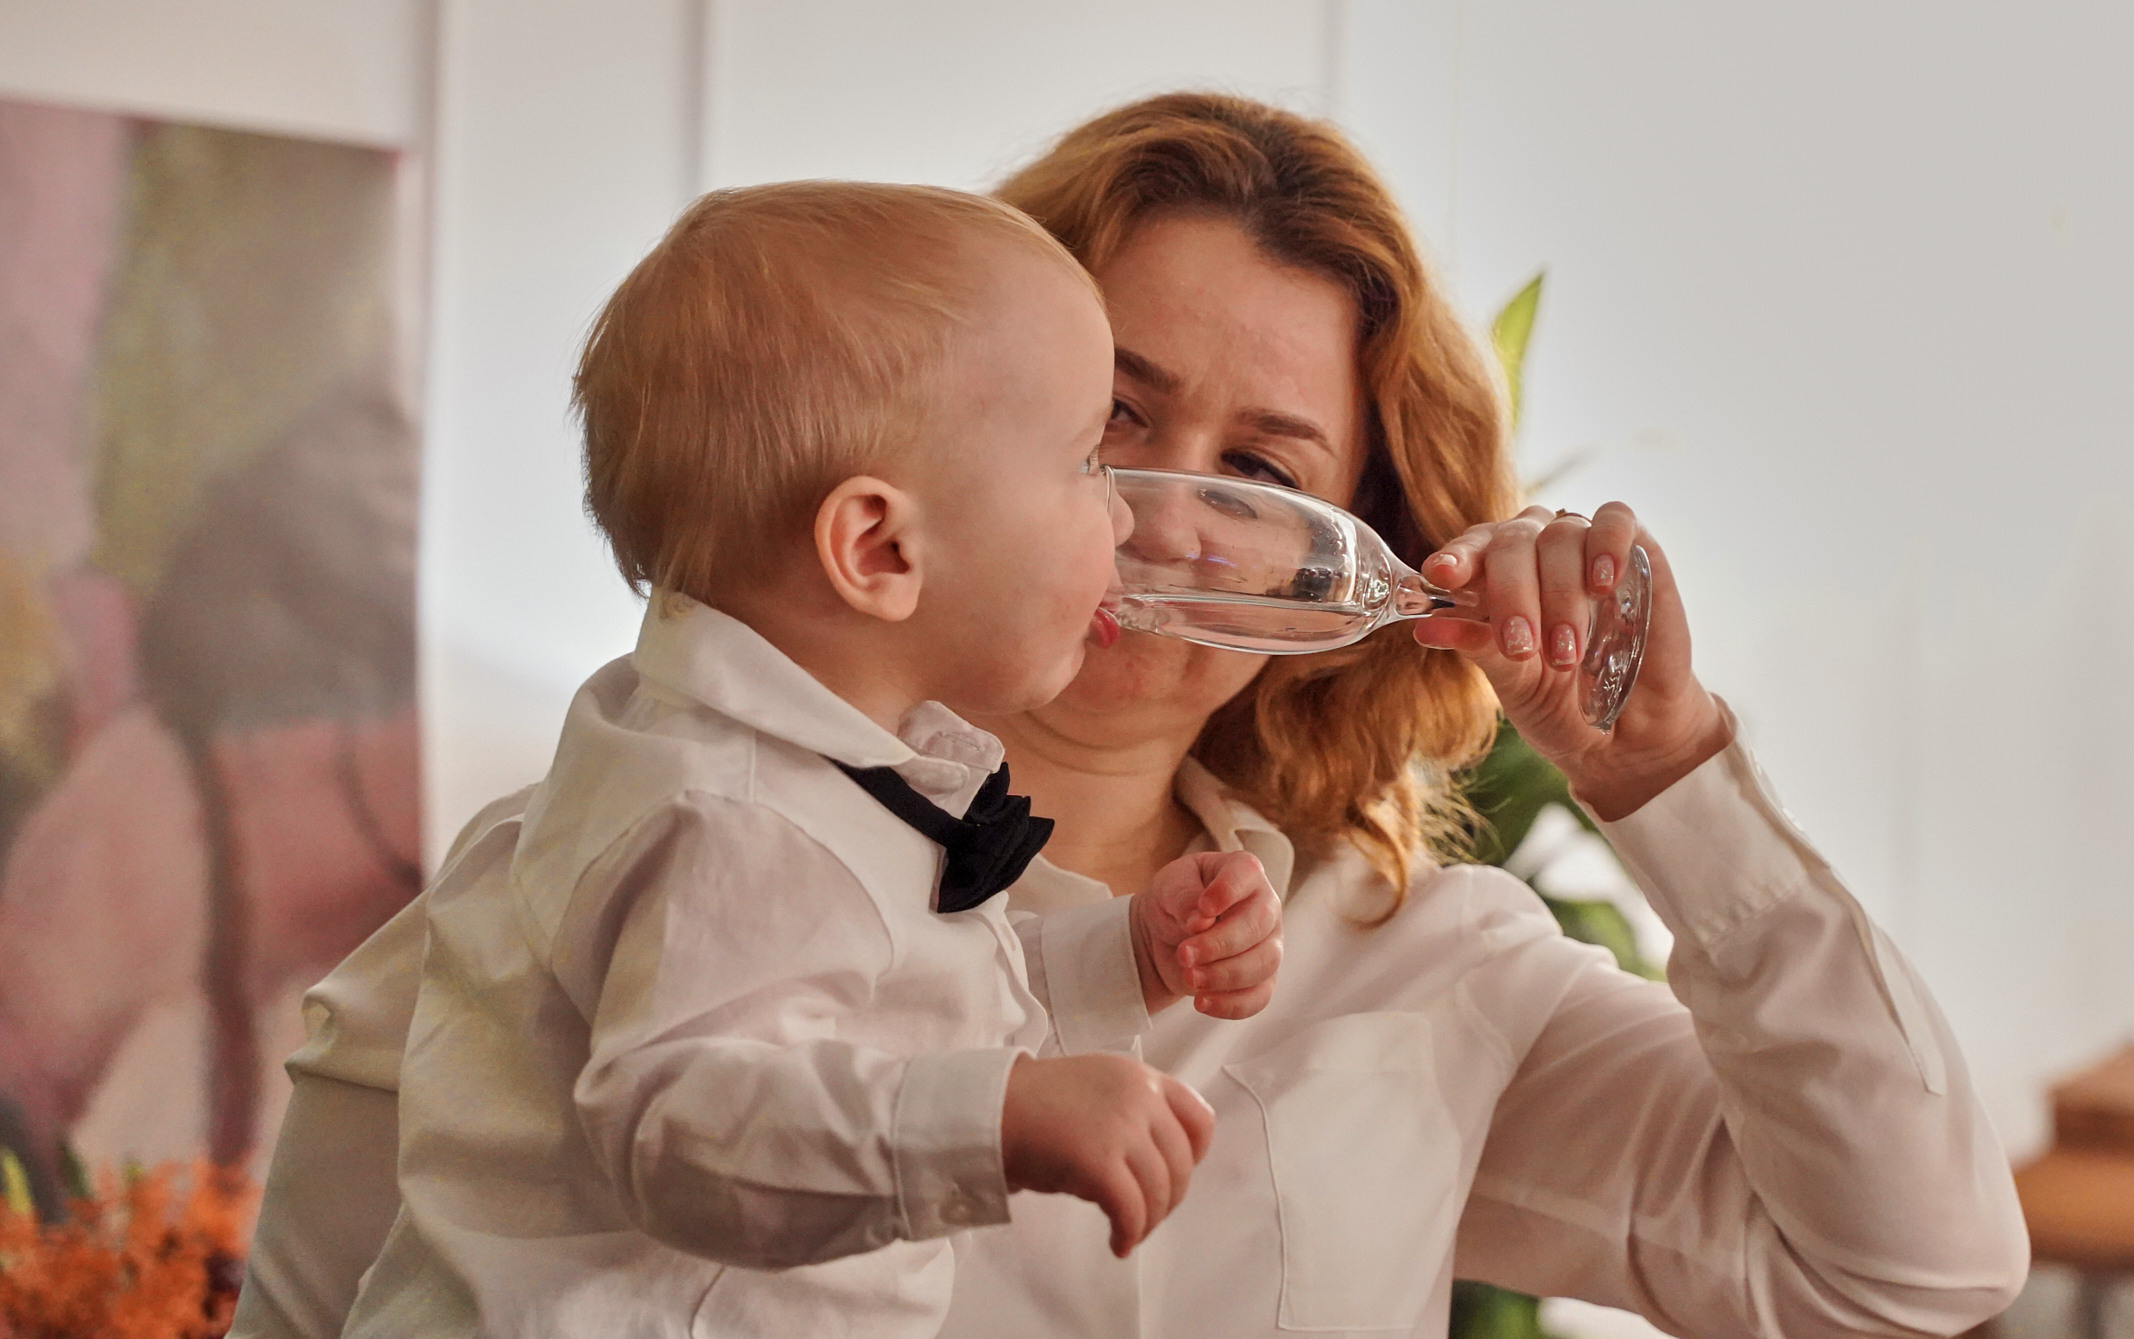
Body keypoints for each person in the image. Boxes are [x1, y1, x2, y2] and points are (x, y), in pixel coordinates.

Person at [238, 99, 2029, 1339]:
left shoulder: (1426, 970)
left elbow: (1910, 1275)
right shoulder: (581, 877)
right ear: (906, 466)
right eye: (1107, 422)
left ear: (1368, 557)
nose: (1161, 519)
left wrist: (1666, 774)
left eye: (1262, 468)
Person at [273, 181, 1286, 1339]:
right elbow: (686, 1123)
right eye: (1084, 461)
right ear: (878, 547)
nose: (1125, 524)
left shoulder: (792, 774)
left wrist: (1117, 959)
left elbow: (870, 1003)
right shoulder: (729, 816)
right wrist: (992, 1117)